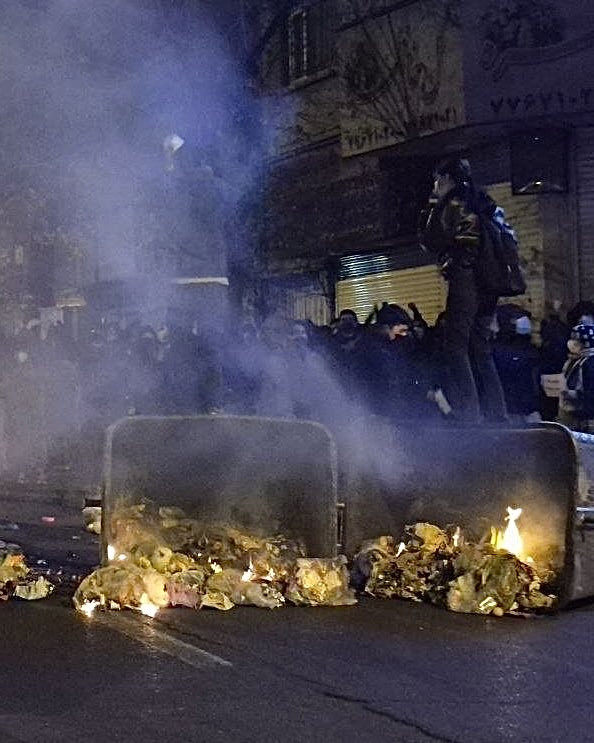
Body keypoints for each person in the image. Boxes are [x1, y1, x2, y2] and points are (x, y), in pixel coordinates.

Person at [420, 157, 508, 423]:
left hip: (466, 279)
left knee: (456, 346)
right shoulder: (484, 202)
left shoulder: (454, 203)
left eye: (437, 180)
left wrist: (433, 206)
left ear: (447, 179)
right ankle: (497, 412)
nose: (435, 185)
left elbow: (431, 240)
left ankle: (469, 412)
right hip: (490, 283)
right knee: (480, 347)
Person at [558, 324, 594, 432]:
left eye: (576, 340)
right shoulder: (577, 360)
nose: (572, 343)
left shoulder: (588, 363)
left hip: (585, 417)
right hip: (576, 415)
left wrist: (567, 393)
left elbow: (588, 392)